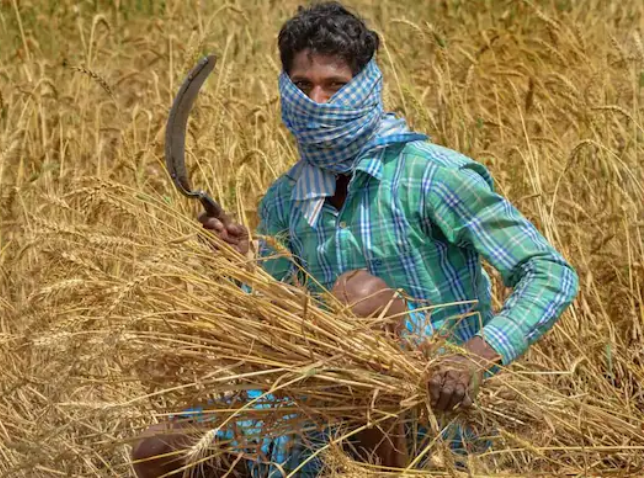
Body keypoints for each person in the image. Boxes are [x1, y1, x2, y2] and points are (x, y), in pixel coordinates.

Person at [132, 1, 579, 476]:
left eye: (334, 86)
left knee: (359, 297)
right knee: (159, 450)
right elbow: (285, 318)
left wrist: (471, 360)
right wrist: (244, 268)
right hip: (326, 407)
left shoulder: (430, 175)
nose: (317, 104)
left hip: (432, 407)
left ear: (365, 87)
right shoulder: (286, 198)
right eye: (303, 87)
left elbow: (549, 273)